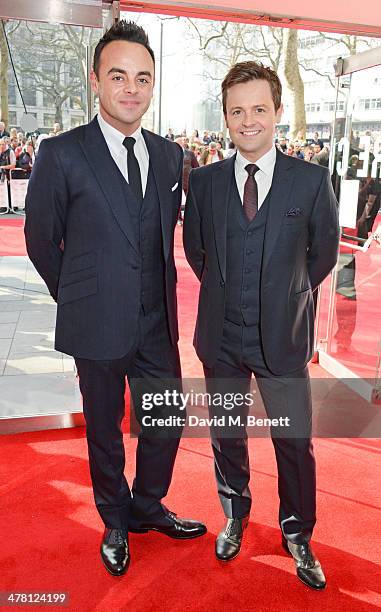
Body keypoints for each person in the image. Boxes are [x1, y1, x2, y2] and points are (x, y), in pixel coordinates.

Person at [25, 19, 206, 578]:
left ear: (154, 86)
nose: (132, 88)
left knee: (165, 421)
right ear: (95, 81)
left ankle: (148, 506)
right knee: (104, 430)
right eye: (119, 75)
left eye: (143, 78)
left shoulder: (170, 155)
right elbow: (39, 239)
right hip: (96, 321)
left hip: (157, 323)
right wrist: (78, 296)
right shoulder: (61, 153)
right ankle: (114, 520)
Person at [183, 61, 339, 590]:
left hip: (284, 338)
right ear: (225, 118)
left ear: (276, 113)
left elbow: (321, 258)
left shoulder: (311, 182)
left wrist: (282, 298)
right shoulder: (201, 182)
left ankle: (298, 532)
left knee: (294, 441)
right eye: (236, 111)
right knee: (228, 434)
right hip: (221, 339)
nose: (248, 120)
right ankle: (235, 512)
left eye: (258, 109)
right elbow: (197, 253)